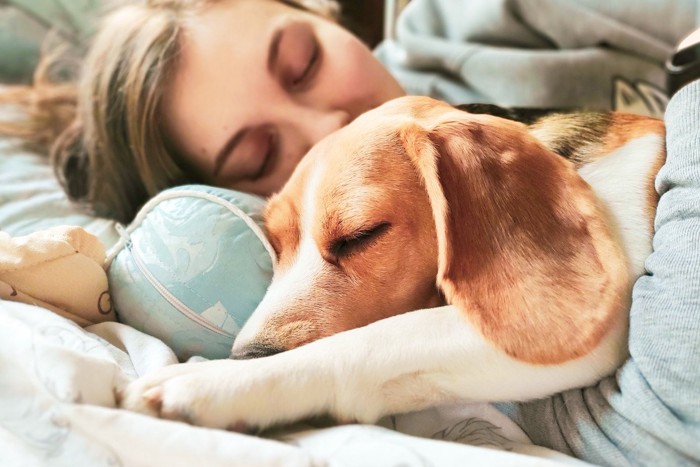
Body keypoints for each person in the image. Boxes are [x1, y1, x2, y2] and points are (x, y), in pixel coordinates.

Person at [0, 0, 698, 465]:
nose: (329, 130)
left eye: (303, 64)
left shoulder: (479, 91)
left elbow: (577, 320)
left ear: (324, 13)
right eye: (258, 159)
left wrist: (292, 379)